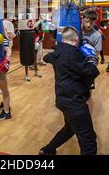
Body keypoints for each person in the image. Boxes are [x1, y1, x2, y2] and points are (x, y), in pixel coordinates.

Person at [39, 26, 99, 155]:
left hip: (63, 99)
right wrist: (92, 59)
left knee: (69, 129)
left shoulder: (57, 52)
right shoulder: (73, 54)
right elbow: (91, 72)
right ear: (76, 39)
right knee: (88, 140)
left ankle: (47, 150)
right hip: (74, 103)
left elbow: (46, 58)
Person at [0, 18, 16, 94]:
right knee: (1, 71)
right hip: (2, 53)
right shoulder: (8, 24)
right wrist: (7, 58)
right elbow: (10, 35)